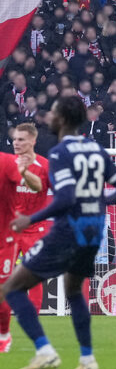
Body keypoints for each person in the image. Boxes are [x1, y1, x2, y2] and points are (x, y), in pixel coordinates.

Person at [1, 97, 116, 369]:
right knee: (73, 291)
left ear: (62, 119)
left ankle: (45, 351)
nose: (49, 117)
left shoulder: (60, 153)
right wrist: (97, 202)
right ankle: (87, 360)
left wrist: (31, 219)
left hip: (67, 229)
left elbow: (65, 198)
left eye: (54, 112)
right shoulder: (96, 149)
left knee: (11, 288)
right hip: (94, 230)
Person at [0, 124, 46, 353]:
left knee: (33, 277)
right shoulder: (7, 163)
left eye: (22, 140)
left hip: (34, 229)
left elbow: (51, 193)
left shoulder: (44, 166)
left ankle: (32, 320)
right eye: (15, 140)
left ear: (33, 141)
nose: (17, 143)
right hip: (9, 229)